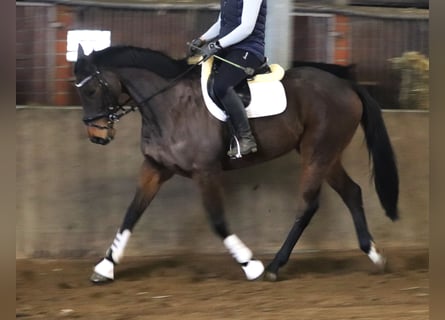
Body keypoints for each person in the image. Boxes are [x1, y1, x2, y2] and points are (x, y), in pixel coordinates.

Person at [189, 0, 267, 157]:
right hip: (228, 49)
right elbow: (221, 22)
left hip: (248, 49)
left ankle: (246, 138)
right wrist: (202, 39)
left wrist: (217, 44)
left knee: (222, 86)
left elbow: (246, 28)